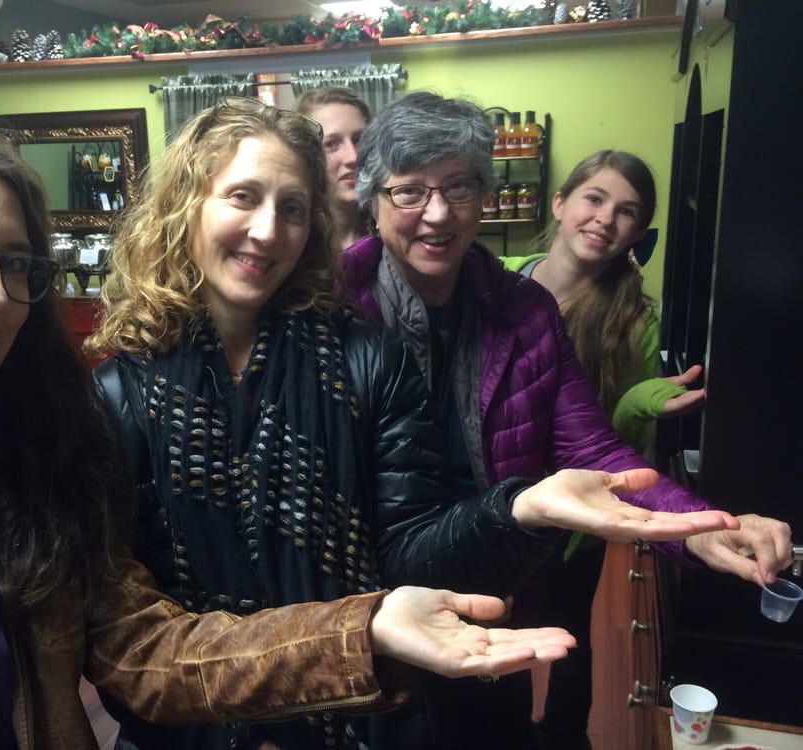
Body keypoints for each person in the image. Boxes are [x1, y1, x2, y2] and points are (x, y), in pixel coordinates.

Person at [0, 115, 592, 750]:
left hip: (360, 717)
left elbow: (139, 647)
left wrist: (508, 517)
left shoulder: (26, 460)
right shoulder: (110, 398)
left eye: (17, 266)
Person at [86, 96, 740, 750]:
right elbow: (123, 637)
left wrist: (524, 510)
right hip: (237, 710)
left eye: (291, 208)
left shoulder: (377, 353)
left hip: (414, 649)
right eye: (242, 197)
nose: (266, 230)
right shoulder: (123, 392)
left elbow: (411, 537)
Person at [342, 90, 794, 749]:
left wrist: (701, 528)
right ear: (374, 201)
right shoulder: (330, 306)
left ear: (484, 195)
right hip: (361, 607)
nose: (437, 213)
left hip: (490, 593)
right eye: (409, 191)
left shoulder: (525, 311)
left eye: (459, 187)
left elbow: (596, 447)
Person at [500, 150, 711, 749]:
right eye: (594, 198)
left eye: (626, 212)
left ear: (636, 235)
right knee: (495, 624)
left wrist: (643, 400)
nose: (605, 219)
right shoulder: (498, 276)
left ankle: (566, 738)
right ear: (560, 203)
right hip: (496, 496)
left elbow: (612, 445)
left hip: (574, 520)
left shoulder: (635, 322)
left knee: (569, 635)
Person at [296, 86, 372, 250]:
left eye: (359, 140)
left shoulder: (390, 236)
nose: (353, 157)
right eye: (331, 144)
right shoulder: (295, 246)